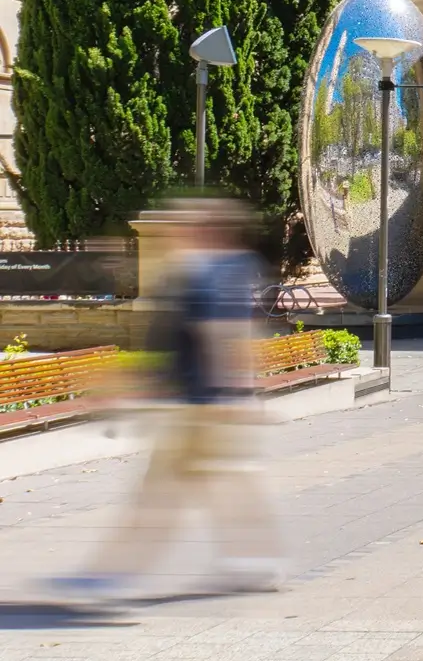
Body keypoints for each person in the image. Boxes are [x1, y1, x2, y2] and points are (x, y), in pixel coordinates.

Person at [53, 198, 285, 599]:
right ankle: (254, 564)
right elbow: (229, 334)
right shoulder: (229, 267)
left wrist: (229, 395)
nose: (178, 232)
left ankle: (112, 575)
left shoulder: (210, 273)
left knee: (161, 493)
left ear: (207, 231)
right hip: (206, 402)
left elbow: (219, 334)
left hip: (199, 406)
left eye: (187, 226)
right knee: (221, 485)